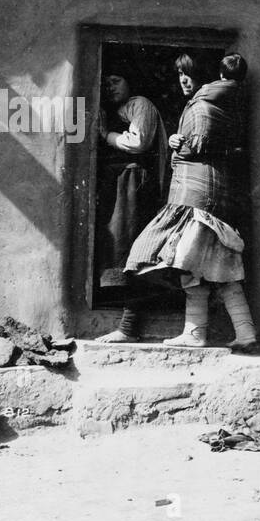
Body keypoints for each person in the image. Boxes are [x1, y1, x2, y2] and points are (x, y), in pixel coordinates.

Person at [123, 52, 259, 352]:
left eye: (188, 73)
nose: (183, 79)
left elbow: (196, 145)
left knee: (150, 252)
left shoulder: (202, 104)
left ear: (204, 75)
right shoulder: (229, 99)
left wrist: (177, 148)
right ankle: (239, 332)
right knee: (209, 262)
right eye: (179, 74)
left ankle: (194, 333)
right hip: (215, 193)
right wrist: (177, 139)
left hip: (193, 194)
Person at [92, 69, 169, 343]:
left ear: (130, 81)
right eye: (106, 84)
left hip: (133, 184)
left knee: (130, 249)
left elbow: (138, 142)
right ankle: (126, 323)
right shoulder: (110, 109)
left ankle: (129, 326)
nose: (110, 87)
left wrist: (106, 135)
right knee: (115, 249)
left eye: (116, 79)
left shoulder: (140, 104)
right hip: (117, 185)